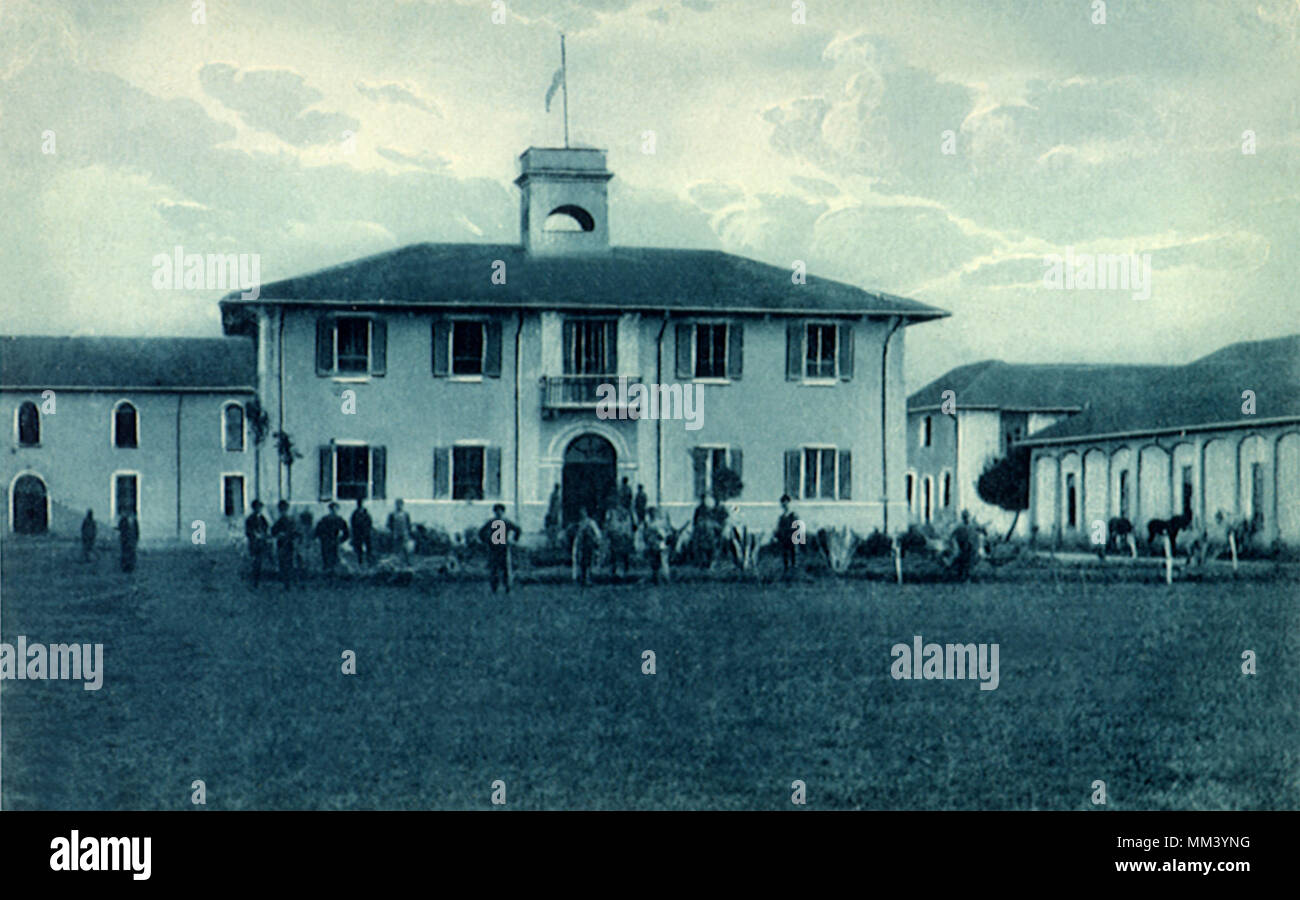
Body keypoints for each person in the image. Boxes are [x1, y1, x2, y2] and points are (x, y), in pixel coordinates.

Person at [478, 503, 522, 593]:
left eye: (500, 511)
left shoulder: (506, 522)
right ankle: (494, 587)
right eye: (497, 511)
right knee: (494, 568)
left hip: (503, 548)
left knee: (505, 568)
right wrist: (486, 541)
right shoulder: (491, 522)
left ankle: (507, 587)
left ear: (503, 512)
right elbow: (481, 532)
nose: (498, 513)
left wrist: (514, 540)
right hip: (493, 548)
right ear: (494, 512)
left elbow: (518, 529)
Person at [313, 502, 350, 576]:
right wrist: (319, 538)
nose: (333, 511)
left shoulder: (339, 520)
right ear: (329, 510)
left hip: (334, 540)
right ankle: (327, 572)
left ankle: (333, 572)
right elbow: (318, 530)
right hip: (326, 540)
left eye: (335, 509)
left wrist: (341, 540)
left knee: (334, 556)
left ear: (337, 510)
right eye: (332, 509)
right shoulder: (325, 519)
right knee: (326, 556)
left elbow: (346, 532)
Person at [572, 506, 602, 588]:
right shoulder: (579, 524)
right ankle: (581, 578)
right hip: (581, 546)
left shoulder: (590, 523)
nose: (582, 514)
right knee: (581, 562)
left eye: (583, 512)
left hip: (588, 545)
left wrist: (596, 541)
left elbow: (597, 533)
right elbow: (577, 536)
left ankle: (588, 579)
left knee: (588, 562)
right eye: (581, 513)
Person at [604, 499, 634, 578]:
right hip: (615, 537)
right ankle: (614, 571)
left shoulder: (626, 514)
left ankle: (623, 572)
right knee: (614, 554)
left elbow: (629, 526)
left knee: (623, 555)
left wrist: (628, 535)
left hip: (623, 537)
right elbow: (608, 525)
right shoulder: (611, 513)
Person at [271, 500, 297, 589]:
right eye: (281, 509)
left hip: (289, 544)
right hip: (281, 544)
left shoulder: (291, 521)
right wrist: (278, 534)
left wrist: (288, 535)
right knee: (282, 562)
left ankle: (288, 582)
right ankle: (285, 582)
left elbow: (295, 532)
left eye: (284, 509)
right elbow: (273, 531)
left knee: (289, 562)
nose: (283, 511)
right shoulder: (278, 521)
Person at [244, 500, 271, 587]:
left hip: (262, 543)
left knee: (261, 561)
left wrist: (264, 535)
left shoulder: (262, 518)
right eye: (257, 507)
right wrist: (255, 535)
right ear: (253, 508)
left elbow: (266, 527)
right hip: (254, 543)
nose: (259, 509)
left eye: (260, 507)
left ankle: (260, 579)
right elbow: (248, 531)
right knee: (255, 561)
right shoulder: (250, 519)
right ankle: (255, 580)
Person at [949, 510, 978, 582]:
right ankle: (962, 576)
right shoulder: (960, 527)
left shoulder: (972, 527)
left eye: (967, 517)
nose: (966, 518)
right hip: (963, 547)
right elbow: (952, 536)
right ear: (963, 518)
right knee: (963, 562)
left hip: (970, 548)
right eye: (965, 517)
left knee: (968, 563)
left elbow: (978, 535)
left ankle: (966, 577)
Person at [642, 507, 669, 585]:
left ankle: (664, 578)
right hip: (655, 545)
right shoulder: (651, 523)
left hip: (659, 544)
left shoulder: (654, 524)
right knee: (656, 563)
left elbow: (663, 534)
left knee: (662, 562)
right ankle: (658, 579)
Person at [775, 494, 799, 573]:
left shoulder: (793, 515)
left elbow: (797, 526)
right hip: (784, 537)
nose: (785, 505)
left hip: (792, 537)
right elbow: (779, 528)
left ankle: (794, 568)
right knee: (785, 553)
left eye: (786, 503)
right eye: (783, 503)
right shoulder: (782, 517)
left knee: (793, 553)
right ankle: (786, 568)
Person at [387, 498, 412, 566]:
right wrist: (392, 531)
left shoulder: (405, 514)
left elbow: (408, 524)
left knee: (405, 549)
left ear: (402, 505)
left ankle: (407, 562)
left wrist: (408, 533)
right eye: (397, 504)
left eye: (400, 504)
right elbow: (389, 524)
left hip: (404, 534)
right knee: (396, 549)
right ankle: (395, 562)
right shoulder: (392, 514)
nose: (399, 506)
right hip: (396, 534)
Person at [350, 498, 373, 568]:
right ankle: (360, 562)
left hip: (366, 533)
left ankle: (369, 562)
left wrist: (368, 530)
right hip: (358, 534)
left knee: (369, 548)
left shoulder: (366, 513)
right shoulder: (355, 514)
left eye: (362, 504)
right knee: (358, 549)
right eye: (359, 504)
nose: (361, 505)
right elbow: (353, 524)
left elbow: (370, 523)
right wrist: (354, 533)